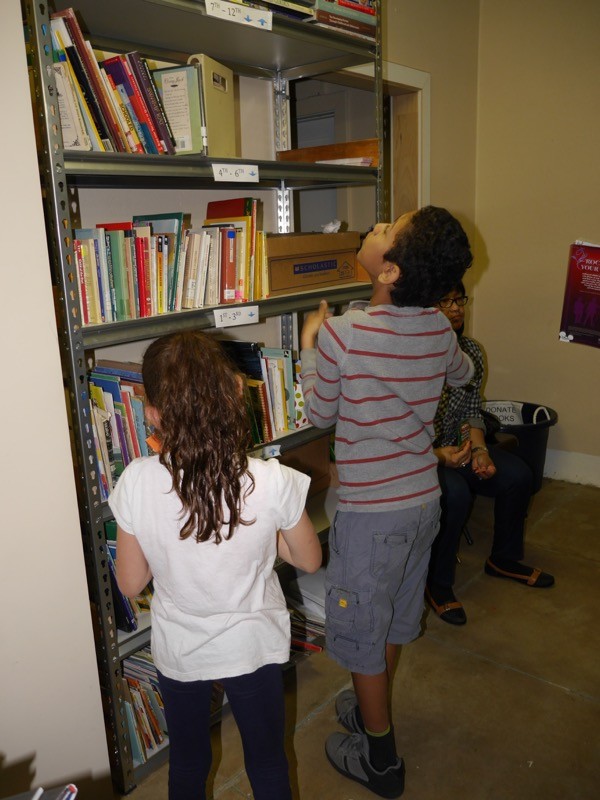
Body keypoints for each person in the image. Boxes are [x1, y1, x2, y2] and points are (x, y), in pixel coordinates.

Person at [300, 206, 475, 798]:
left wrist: (310, 346)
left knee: (360, 635)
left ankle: (380, 758)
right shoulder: (438, 328)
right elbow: (461, 373)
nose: (375, 227)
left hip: (372, 516)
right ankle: (369, 705)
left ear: (389, 271)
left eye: (386, 230)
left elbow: (319, 413)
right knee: (394, 616)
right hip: (423, 504)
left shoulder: (343, 335)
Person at [109, 331, 322, 800]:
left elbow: (130, 582)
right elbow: (309, 559)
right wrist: (266, 536)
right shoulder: (271, 480)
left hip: (181, 651)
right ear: (235, 394)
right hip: (253, 645)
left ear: (152, 414)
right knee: (268, 762)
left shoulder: (136, 481)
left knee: (188, 764)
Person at [425, 282, 554, 625]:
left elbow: (471, 412)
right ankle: (437, 584)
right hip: (422, 457)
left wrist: (480, 450)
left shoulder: (470, 352)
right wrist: (440, 456)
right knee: (455, 492)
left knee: (518, 475)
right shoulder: (415, 358)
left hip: (460, 447)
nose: (456, 308)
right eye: (444, 301)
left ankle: (503, 559)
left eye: (459, 300)